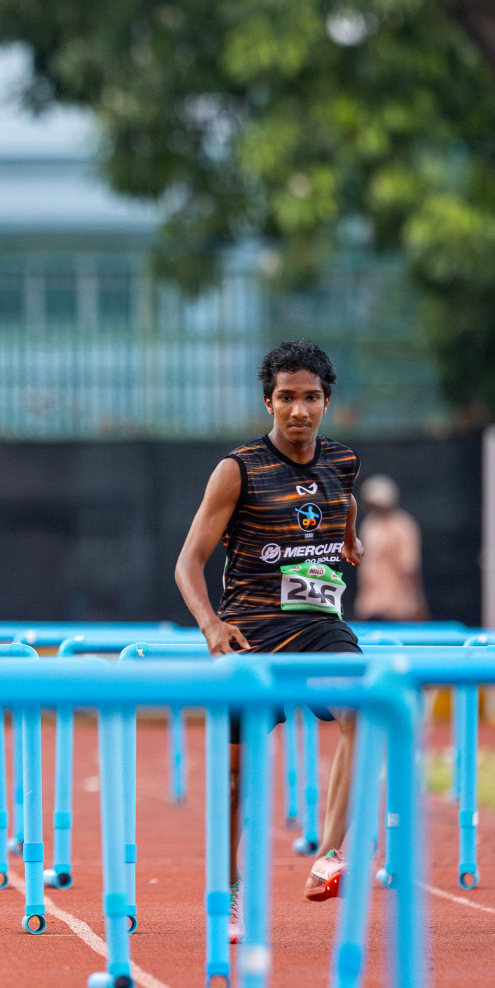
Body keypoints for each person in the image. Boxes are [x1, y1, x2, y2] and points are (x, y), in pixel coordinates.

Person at [174, 341, 364, 941]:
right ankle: (230, 893)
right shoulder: (238, 470)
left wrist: (349, 538)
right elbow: (188, 562)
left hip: (319, 627)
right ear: (268, 402)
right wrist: (211, 626)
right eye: (286, 398)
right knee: (236, 779)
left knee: (363, 709)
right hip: (251, 635)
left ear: (326, 402)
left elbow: (343, 497)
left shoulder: (343, 460)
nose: (298, 410)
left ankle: (329, 855)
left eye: (310, 398)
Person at [354, 474, 427, 622]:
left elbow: (409, 567)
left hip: (397, 606)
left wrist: (417, 600)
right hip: (370, 604)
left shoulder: (403, 526)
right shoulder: (369, 525)